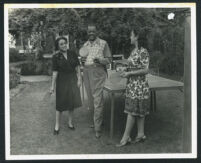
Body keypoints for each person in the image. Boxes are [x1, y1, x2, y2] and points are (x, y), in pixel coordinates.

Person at [116, 27, 150, 147]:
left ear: (137, 37)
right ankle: (141, 134)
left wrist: (129, 73)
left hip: (139, 86)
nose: (130, 37)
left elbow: (145, 70)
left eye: (131, 35)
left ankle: (125, 137)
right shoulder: (134, 51)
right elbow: (133, 66)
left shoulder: (143, 51)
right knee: (139, 111)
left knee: (132, 111)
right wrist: (124, 69)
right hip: (132, 85)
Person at [80, 24, 112, 138]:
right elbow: (83, 60)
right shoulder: (86, 44)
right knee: (91, 100)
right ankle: (97, 122)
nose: (91, 33)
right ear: (87, 32)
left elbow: (109, 60)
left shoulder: (103, 43)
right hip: (87, 72)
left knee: (97, 99)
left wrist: (101, 60)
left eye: (93, 31)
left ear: (97, 32)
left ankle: (98, 128)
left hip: (98, 72)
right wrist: (82, 61)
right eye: (89, 32)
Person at [50, 37, 82, 135]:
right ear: (58, 46)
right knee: (60, 103)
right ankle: (57, 125)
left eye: (65, 43)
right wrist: (52, 86)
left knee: (71, 102)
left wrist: (79, 79)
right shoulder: (55, 57)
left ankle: (70, 123)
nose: (64, 45)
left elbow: (77, 67)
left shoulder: (72, 53)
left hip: (73, 80)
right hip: (62, 81)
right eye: (61, 44)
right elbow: (55, 72)